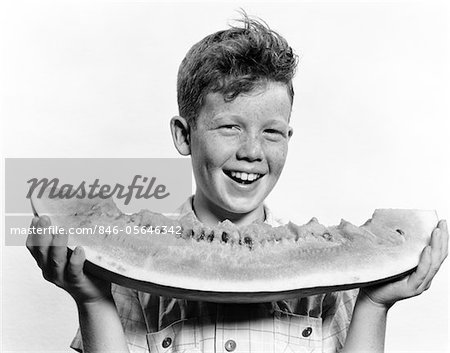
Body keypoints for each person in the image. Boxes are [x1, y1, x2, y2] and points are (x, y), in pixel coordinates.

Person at [27, 15, 448, 353]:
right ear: (183, 135)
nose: (252, 151)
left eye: (272, 132)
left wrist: (375, 304)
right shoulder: (121, 280)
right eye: (229, 126)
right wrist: (92, 299)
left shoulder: (331, 289)